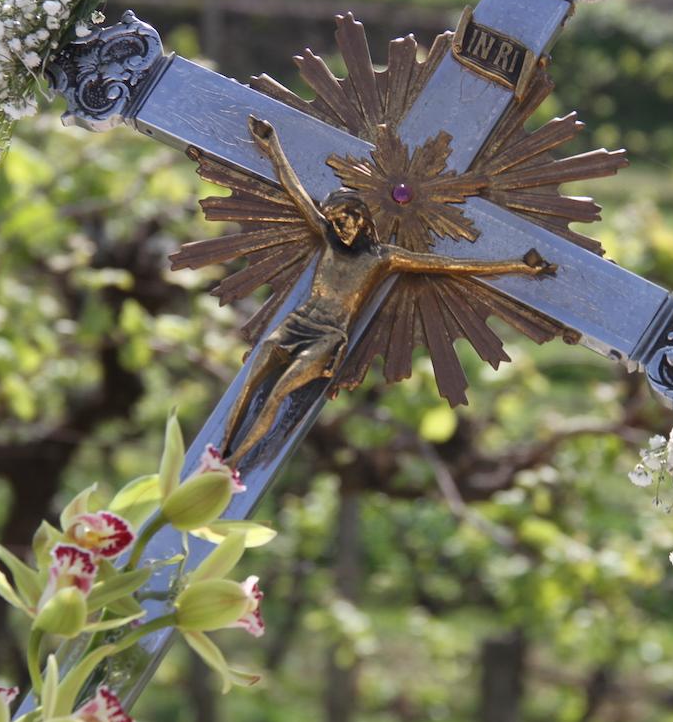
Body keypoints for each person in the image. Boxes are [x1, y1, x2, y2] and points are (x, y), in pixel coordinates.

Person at [219, 116, 555, 468]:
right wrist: (273, 147)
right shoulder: (330, 242)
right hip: (297, 323)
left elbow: (449, 265)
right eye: (332, 221)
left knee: (278, 393)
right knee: (248, 382)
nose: (338, 226)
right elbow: (296, 191)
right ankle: (219, 448)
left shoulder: (382, 258)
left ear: (361, 218)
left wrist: (517, 265)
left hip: (328, 337)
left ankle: (232, 464)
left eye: (343, 219)